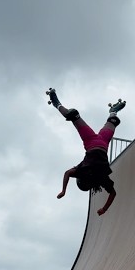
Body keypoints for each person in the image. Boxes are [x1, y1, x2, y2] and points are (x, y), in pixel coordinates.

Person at [46, 88, 125, 216]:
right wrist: (104, 209)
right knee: (113, 121)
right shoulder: (101, 179)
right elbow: (113, 193)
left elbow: (67, 173)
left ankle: (56, 102)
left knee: (72, 114)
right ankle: (113, 111)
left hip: (90, 140)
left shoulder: (82, 171)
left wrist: (63, 190)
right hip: (103, 142)